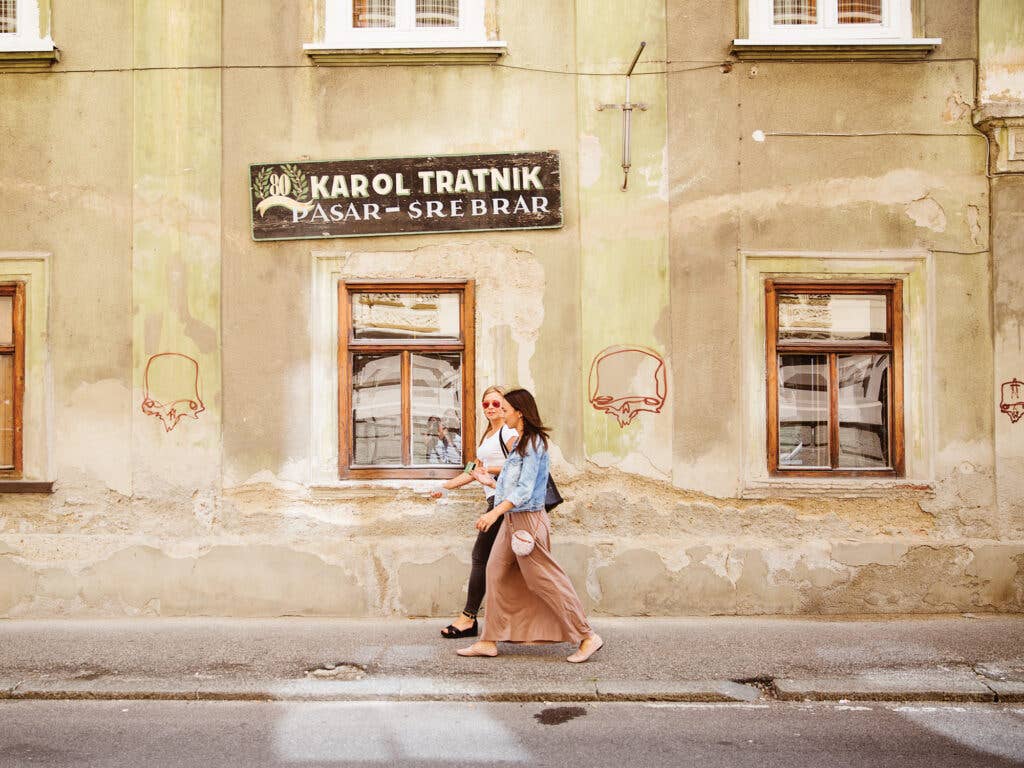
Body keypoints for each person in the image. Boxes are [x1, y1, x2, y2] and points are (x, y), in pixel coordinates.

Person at [457, 388, 604, 663]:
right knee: (494, 572)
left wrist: (492, 514)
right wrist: (488, 481)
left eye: (505, 409)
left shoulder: (534, 443)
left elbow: (524, 490)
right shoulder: (519, 443)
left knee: (546, 580)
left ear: (519, 412)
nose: (501, 413)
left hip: (527, 523)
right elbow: (510, 483)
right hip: (512, 521)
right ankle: (488, 640)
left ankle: (587, 636)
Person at [431, 386, 518, 638]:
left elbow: (519, 464)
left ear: (505, 405)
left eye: (495, 403)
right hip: (495, 501)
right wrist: (444, 487)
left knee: (481, 558)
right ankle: (511, 622)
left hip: (504, 504)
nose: (491, 408)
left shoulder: (509, 432)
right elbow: (473, 469)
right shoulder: (488, 435)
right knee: (503, 564)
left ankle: (469, 618)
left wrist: (488, 471)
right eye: (486, 404)